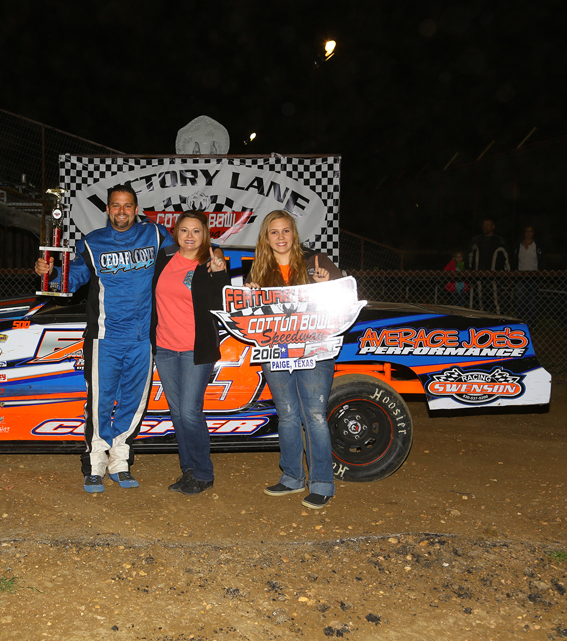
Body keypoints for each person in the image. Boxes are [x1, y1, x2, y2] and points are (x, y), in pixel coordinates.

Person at [34, 184, 171, 493]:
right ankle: (95, 462)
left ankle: (120, 459)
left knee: (134, 403)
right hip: (105, 338)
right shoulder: (93, 243)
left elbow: (191, 250)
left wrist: (213, 256)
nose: (121, 210)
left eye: (127, 205)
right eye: (115, 205)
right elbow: (73, 279)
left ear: (136, 210)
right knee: (99, 403)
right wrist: (50, 273)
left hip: (142, 338)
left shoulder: (156, 235)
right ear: (108, 210)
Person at [245, 211, 343, 510]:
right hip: (276, 352)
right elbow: (249, 318)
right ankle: (291, 477)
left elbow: (343, 303)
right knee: (287, 414)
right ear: (266, 237)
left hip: (314, 350)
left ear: (294, 234)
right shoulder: (258, 271)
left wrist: (330, 283)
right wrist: (249, 297)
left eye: (286, 231)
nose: (281, 237)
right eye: (274, 232)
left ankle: (322, 483)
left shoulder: (317, 262)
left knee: (313, 414)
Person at [149, 211, 229, 496]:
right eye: (184, 230)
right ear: (176, 233)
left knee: (190, 411)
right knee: (178, 413)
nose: (190, 236)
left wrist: (220, 271)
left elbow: (222, 300)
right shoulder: (164, 260)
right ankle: (189, 471)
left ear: (204, 234)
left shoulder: (211, 264)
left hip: (196, 349)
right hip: (165, 348)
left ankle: (204, 473)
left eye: (196, 231)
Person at [469, 217, 508, 312]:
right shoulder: (477, 240)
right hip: (479, 279)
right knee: (481, 304)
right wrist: (470, 274)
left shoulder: (499, 241)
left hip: (495, 279)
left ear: (493, 226)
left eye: (487, 225)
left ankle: (499, 324)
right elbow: (469, 258)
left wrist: (508, 276)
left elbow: (507, 259)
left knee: (497, 304)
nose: (485, 227)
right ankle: (483, 325)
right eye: (484, 225)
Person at [511, 225, 543, 325]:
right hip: (520, 277)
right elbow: (514, 261)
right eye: (527, 231)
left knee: (532, 302)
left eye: (531, 231)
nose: (529, 233)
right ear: (524, 233)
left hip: (533, 277)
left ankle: (531, 323)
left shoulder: (537, 246)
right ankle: (519, 322)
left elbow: (542, 261)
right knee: (520, 300)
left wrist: (541, 276)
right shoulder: (518, 246)